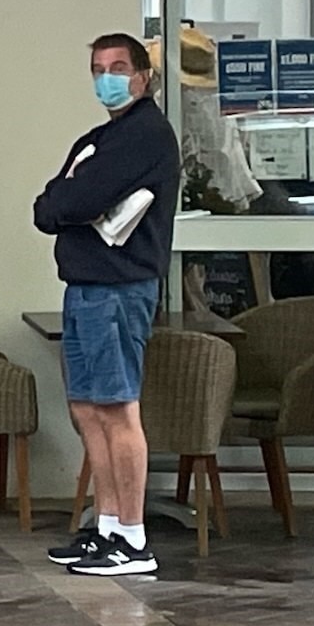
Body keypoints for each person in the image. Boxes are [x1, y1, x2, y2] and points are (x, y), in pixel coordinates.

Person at [34, 33, 180, 579]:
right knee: (88, 410)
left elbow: (73, 200)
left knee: (117, 409)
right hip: (86, 286)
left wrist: (65, 199)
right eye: (98, 68)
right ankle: (108, 525)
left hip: (118, 289)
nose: (107, 77)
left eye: (118, 67)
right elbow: (49, 205)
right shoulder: (103, 136)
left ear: (143, 76)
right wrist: (63, 200)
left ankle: (135, 538)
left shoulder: (144, 136)